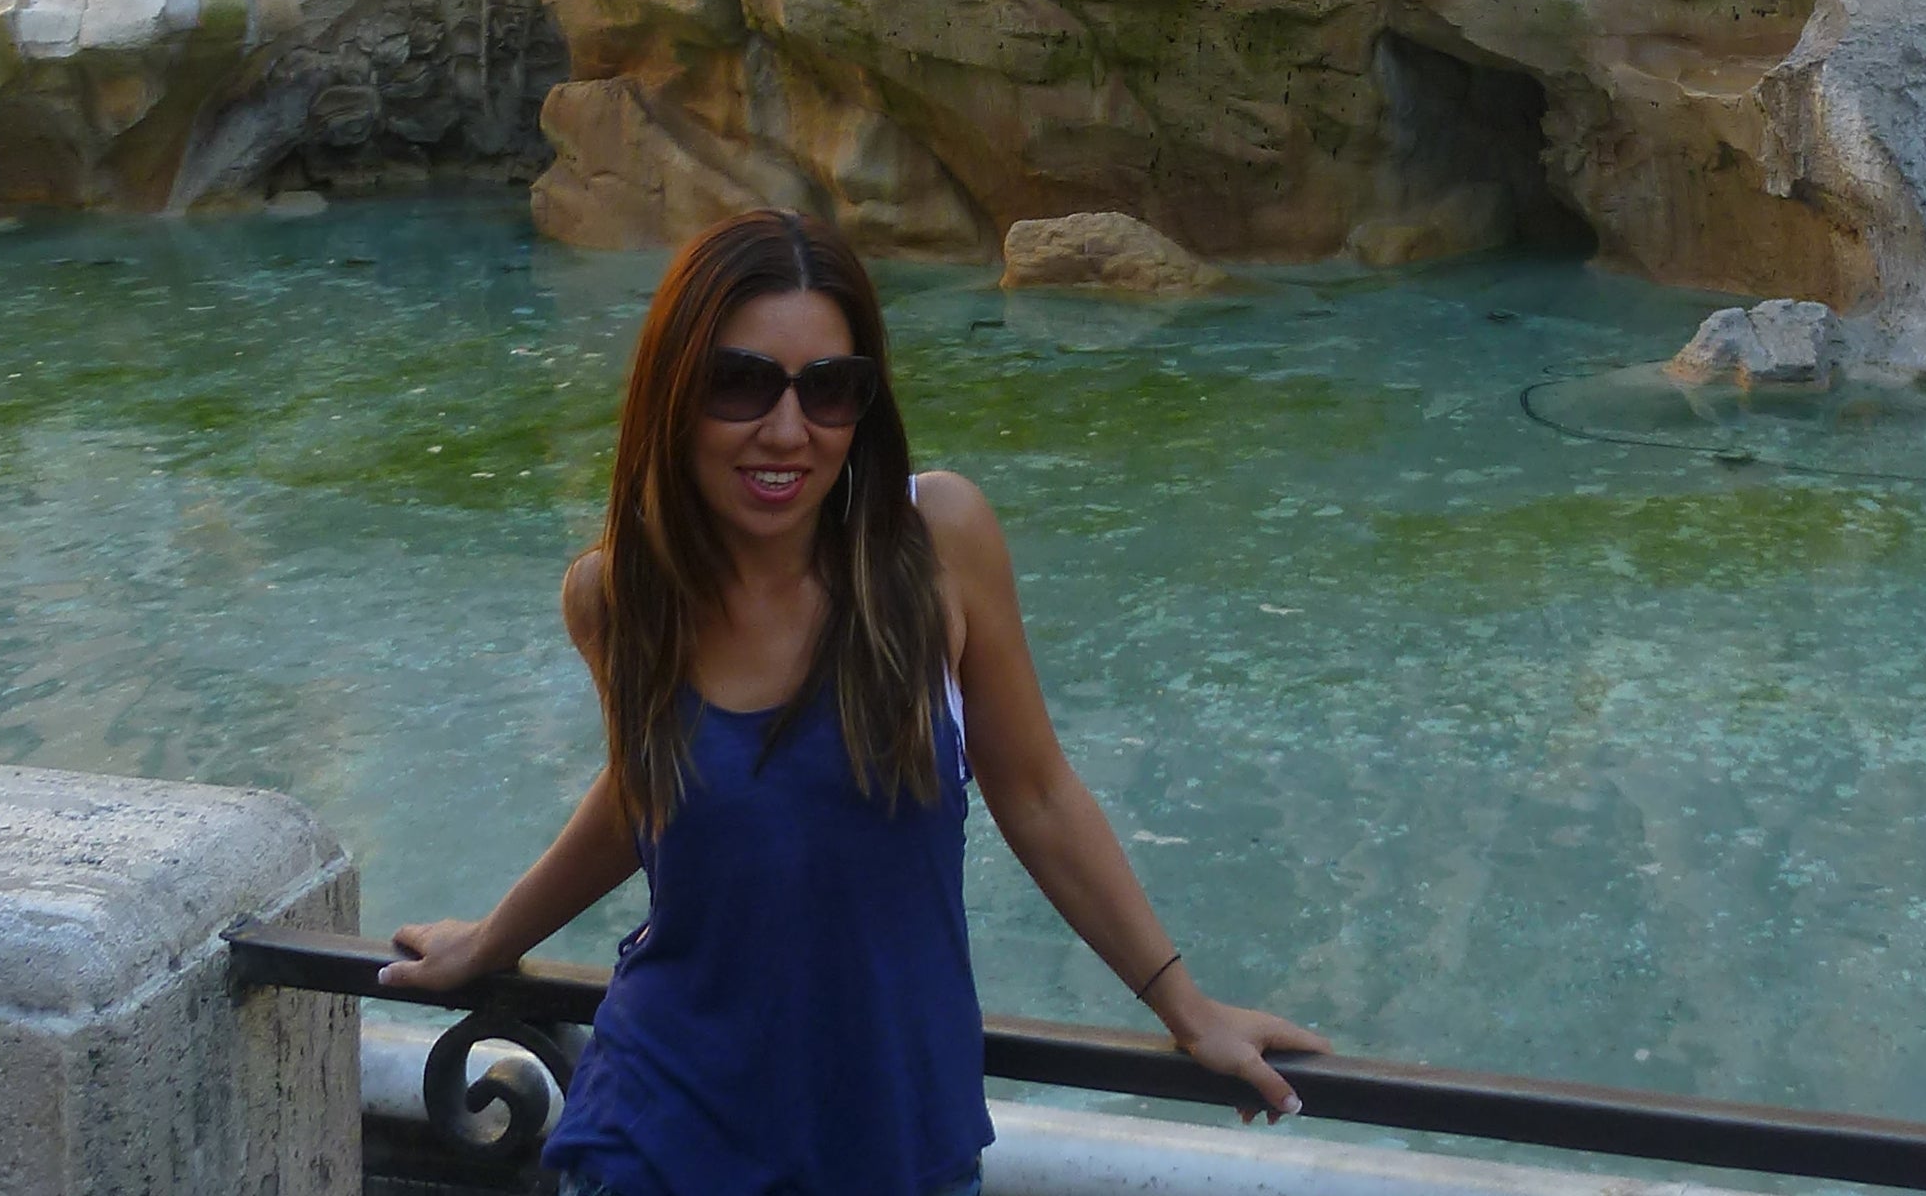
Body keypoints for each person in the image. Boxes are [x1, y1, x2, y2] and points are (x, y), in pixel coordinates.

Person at [382, 212, 1318, 1196]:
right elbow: (642, 799)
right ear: (673, 390)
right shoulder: (618, 597)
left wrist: (1186, 1007)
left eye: (829, 390)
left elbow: (1036, 794)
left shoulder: (938, 542)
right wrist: (492, 942)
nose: (786, 431)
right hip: (658, 1133)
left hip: (894, 1139)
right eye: (741, 383)